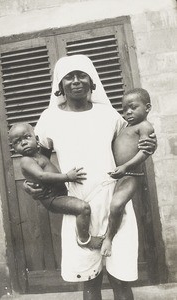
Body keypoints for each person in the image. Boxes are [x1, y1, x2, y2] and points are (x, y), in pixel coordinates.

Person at [24, 55, 157, 300]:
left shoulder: (110, 116)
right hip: (79, 205)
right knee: (89, 281)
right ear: (60, 85)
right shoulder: (50, 117)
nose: (76, 81)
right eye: (69, 77)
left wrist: (148, 145)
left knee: (121, 280)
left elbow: (132, 145)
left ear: (92, 81)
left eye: (81, 75)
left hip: (112, 200)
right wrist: (30, 184)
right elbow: (38, 160)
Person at [9, 122, 104, 249]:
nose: (23, 143)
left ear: (36, 139)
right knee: (83, 208)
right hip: (52, 198)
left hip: (60, 192)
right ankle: (84, 239)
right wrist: (67, 177)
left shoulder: (40, 154)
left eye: (26, 137)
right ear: (14, 148)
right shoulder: (26, 160)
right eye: (17, 141)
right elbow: (42, 176)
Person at [101, 88, 154, 258]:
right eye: (124, 109)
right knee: (111, 207)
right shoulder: (125, 127)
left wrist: (126, 167)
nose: (128, 112)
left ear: (147, 107)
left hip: (132, 176)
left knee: (116, 205)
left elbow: (144, 152)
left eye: (133, 107)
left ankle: (108, 238)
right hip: (119, 175)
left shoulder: (144, 126)